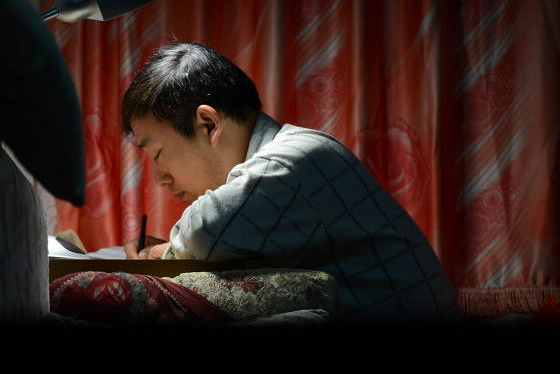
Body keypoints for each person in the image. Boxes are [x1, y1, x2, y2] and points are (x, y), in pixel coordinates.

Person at [121, 42, 460, 324]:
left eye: (158, 153)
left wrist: (158, 252)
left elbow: (202, 232)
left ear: (208, 124)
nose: (160, 178)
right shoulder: (287, 160)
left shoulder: (292, 160)